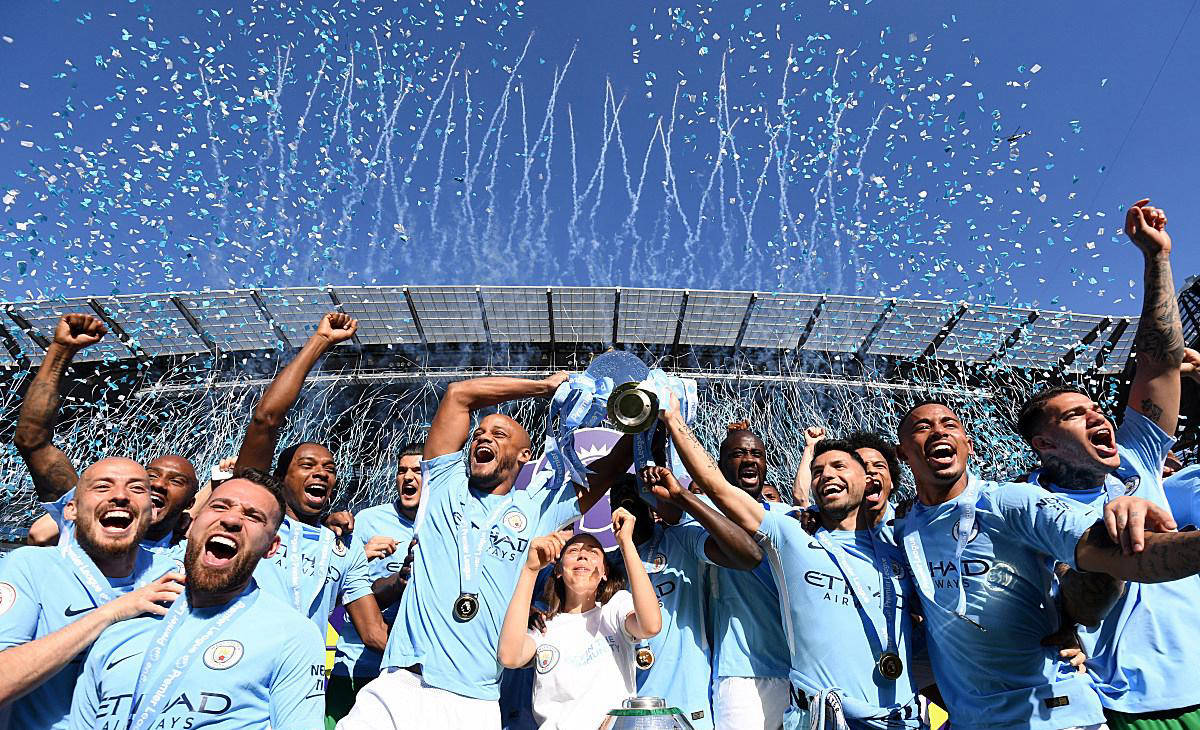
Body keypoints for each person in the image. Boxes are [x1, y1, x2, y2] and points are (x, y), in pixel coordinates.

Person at [337, 373, 633, 730]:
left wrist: (646, 412)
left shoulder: (537, 509)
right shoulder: (442, 485)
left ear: (525, 456)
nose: (484, 436)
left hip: (475, 699)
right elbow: (458, 395)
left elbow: (610, 468)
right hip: (403, 681)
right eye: (479, 432)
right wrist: (544, 387)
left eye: (499, 434)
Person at [894, 399, 1200, 730]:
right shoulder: (901, 528)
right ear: (902, 453)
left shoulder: (1011, 501)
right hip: (976, 722)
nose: (939, 431)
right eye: (922, 427)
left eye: (950, 424)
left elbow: (1118, 556)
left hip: (1058, 716)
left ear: (968, 444)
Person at [1017, 199, 1200, 729]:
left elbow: (1159, 363)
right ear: (1045, 445)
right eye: (1075, 415)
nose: (1098, 416)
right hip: (1137, 704)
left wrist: (1157, 258)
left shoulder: (1138, 458)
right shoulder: (1029, 507)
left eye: (1097, 408)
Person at [665, 402, 924, 729]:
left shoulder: (900, 547)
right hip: (824, 717)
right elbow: (716, 486)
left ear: (867, 480)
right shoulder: (790, 534)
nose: (827, 474)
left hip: (900, 718)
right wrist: (673, 419)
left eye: (840, 466)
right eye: (818, 471)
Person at [68, 469, 327, 730]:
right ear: (192, 525)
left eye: (253, 516)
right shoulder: (127, 616)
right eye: (220, 506)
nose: (231, 519)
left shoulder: (292, 634)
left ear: (271, 547)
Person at [233, 311, 388, 652]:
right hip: (237, 665)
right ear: (279, 478)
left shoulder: (343, 550)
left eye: (329, 469)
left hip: (304, 680)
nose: (321, 473)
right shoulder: (254, 521)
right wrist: (321, 342)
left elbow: (375, 633)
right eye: (307, 465)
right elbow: (266, 420)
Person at [0, 457, 185, 730]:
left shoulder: (171, 575)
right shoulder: (31, 566)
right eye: (102, 487)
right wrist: (111, 613)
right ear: (71, 510)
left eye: (136, 488)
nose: (120, 496)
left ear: (153, 512)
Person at [16, 314, 199, 551]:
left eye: (176, 481)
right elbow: (32, 440)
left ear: (190, 504)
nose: (159, 484)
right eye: (150, 476)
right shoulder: (84, 524)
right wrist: (60, 351)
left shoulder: (192, 558)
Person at [497, 509, 662, 730]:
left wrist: (626, 544)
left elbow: (651, 625)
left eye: (593, 552)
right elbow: (509, 657)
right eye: (573, 550)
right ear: (558, 570)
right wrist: (530, 570)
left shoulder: (615, 610)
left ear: (604, 572)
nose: (583, 555)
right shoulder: (544, 628)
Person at [327, 441, 425, 728]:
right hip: (358, 666)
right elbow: (345, 592)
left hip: (416, 672)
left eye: (417, 471)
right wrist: (393, 578)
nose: (408, 477)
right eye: (402, 471)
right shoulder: (368, 521)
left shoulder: (449, 524)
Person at [705, 422, 792, 730]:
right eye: (738, 454)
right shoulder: (705, 516)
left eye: (756, 454)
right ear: (719, 466)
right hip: (740, 675)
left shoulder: (789, 517)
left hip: (800, 672)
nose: (750, 460)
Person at [791, 426, 825, 508]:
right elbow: (800, 499)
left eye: (839, 466)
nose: (828, 474)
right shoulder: (818, 513)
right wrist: (811, 447)